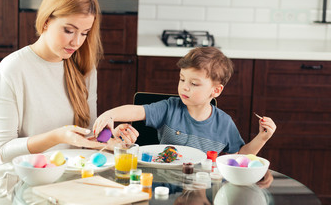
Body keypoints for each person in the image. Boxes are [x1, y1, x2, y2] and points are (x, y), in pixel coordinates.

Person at [0, 0, 138, 203]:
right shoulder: (11, 70)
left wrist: (109, 140)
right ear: (47, 21)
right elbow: (2, 152)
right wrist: (56, 136)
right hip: (19, 187)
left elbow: (86, 136)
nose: (77, 42)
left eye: (85, 33)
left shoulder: (84, 66)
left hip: (69, 183)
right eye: (69, 30)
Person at [93, 47, 276, 155]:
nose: (185, 87)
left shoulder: (224, 123)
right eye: (182, 79)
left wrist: (262, 138)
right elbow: (136, 111)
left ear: (216, 91)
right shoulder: (169, 108)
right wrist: (110, 114)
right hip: (163, 183)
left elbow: (240, 155)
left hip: (202, 188)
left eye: (194, 83)